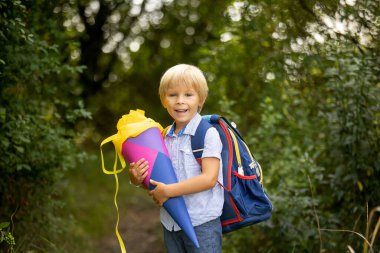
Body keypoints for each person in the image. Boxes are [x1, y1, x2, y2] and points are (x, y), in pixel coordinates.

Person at [128, 64, 224, 253]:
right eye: (173, 95)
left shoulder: (208, 134)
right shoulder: (161, 138)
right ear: (164, 100)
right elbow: (157, 181)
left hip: (202, 223)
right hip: (170, 224)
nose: (180, 101)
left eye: (188, 95)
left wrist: (169, 191)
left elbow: (209, 179)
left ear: (201, 100)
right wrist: (137, 179)